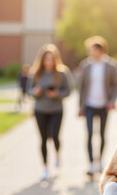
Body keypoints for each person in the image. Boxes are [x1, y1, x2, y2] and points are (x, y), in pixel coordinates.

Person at [78, 36, 117, 176]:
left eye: (92, 49)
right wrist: (80, 107)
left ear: (100, 50)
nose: (89, 52)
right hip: (89, 105)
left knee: (102, 134)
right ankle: (90, 164)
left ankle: (101, 162)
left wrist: (112, 101)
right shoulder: (86, 66)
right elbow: (81, 87)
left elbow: (116, 85)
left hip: (104, 105)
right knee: (90, 133)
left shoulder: (110, 65)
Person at [29, 44, 71, 180]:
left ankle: (58, 154)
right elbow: (29, 91)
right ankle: (45, 167)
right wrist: (36, 92)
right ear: (42, 60)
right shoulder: (35, 73)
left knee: (55, 136)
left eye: (51, 59)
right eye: (46, 59)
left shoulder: (62, 73)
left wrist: (56, 93)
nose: (49, 62)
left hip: (56, 110)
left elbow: (68, 91)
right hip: (40, 110)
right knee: (42, 139)